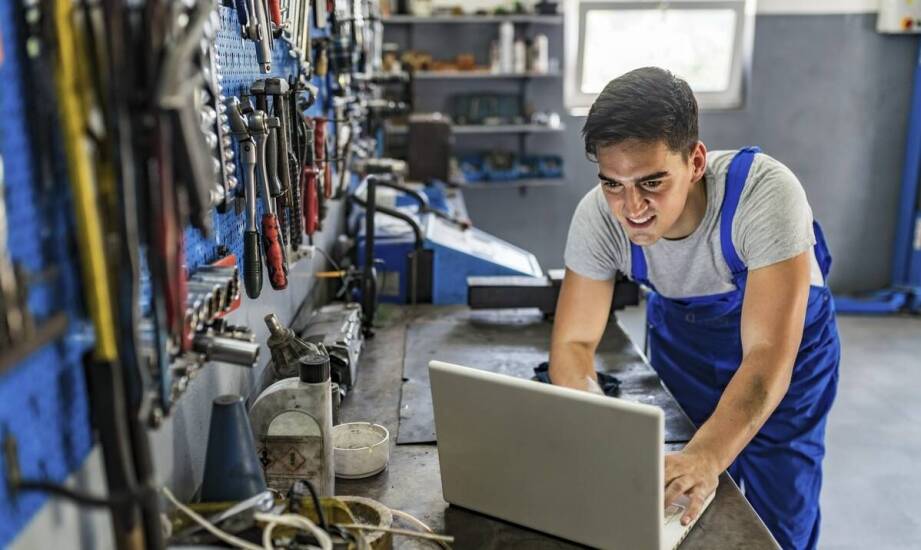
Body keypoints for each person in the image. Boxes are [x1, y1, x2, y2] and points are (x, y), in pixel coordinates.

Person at [549, 67, 839, 550]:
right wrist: (598, 421)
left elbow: (766, 357)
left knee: (780, 516)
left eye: (652, 182)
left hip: (788, 352)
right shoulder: (598, 217)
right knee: (679, 505)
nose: (632, 207)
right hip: (686, 345)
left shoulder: (764, 194)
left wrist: (706, 456)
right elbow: (573, 342)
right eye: (613, 184)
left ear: (696, 161)